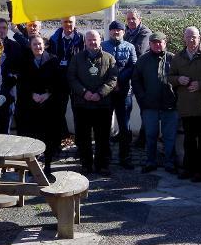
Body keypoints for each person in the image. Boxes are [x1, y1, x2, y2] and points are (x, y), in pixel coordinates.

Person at [168, 26, 201, 182]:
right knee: (189, 140)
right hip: (186, 106)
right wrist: (178, 80)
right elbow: (169, 77)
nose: (191, 40)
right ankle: (188, 169)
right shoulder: (177, 57)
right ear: (184, 38)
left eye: (194, 37)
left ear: (199, 37)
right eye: (188, 37)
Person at [68, 30, 118, 176]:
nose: (92, 42)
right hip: (82, 105)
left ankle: (103, 164)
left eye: (95, 39)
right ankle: (86, 164)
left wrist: (100, 93)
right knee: (83, 137)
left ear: (100, 40)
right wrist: (85, 93)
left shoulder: (109, 58)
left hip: (102, 105)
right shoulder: (76, 58)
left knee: (103, 137)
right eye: (89, 40)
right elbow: (71, 78)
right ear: (85, 42)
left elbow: (113, 78)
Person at [16, 34, 63, 172]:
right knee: (31, 136)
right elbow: (21, 82)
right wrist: (32, 94)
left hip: (48, 104)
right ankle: (31, 166)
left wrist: (48, 94)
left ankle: (48, 165)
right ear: (30, 46)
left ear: (45, 45)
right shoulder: (24, 61)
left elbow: (59, 82)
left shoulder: (53, 60)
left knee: (48, 136)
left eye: (40, 44)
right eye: (34, 44)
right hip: (30, 104)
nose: (38, 47)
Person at [132, 32, 177, 174]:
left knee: (169, 136)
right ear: (150, 44)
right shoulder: (143, 60)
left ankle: (170, 163)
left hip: (170, 105)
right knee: (150, 135)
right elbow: (136, 81)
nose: (158, 44)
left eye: (160, 42)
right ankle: (150, 161)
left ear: (165, 43)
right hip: (149, 105)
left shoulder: (173, 59)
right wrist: (142, 99)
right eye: (154, 42)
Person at [101, 20, 137, 169]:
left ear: (124, 32)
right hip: (106, 93)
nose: (116, 32)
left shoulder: (130, 47)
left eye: (119, 30)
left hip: (124, 92)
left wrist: (119, 81)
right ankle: (105, 156)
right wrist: (111, 83)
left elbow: (133, 67)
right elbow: (99, 67)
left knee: (125, 127)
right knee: (103, 126)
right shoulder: (102, 46)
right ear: (109, 32)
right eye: (113, 30)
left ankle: (125, 156)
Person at [49, 16, 84, 140]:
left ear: (75, 23)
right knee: (58, 111)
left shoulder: (82, 39)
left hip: (76, 80)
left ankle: (80, 141)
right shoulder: (53, 39)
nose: (68, 24)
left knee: (78, 112)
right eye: (65, 22)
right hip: (60, 81)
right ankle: (61, 138)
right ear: (61, 23)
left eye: (70, 22)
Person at [125, 8, 152, 147]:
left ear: (139, 19)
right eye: (128, 19)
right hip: (129, 75)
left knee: (144, 107)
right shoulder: (125, 31)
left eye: (133, 19)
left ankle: (144, 137)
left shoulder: (145, 33)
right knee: (125, 107)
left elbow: (139, 52)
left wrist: (123, 52)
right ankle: (125, 134)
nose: (130, 21)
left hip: (143, 76)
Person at [0, 18, 21, 133]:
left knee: (6, 128)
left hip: (9, 92)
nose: (1, 30)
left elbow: (21, 68)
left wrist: (12, 77)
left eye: (4, 28)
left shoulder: (15, 47)